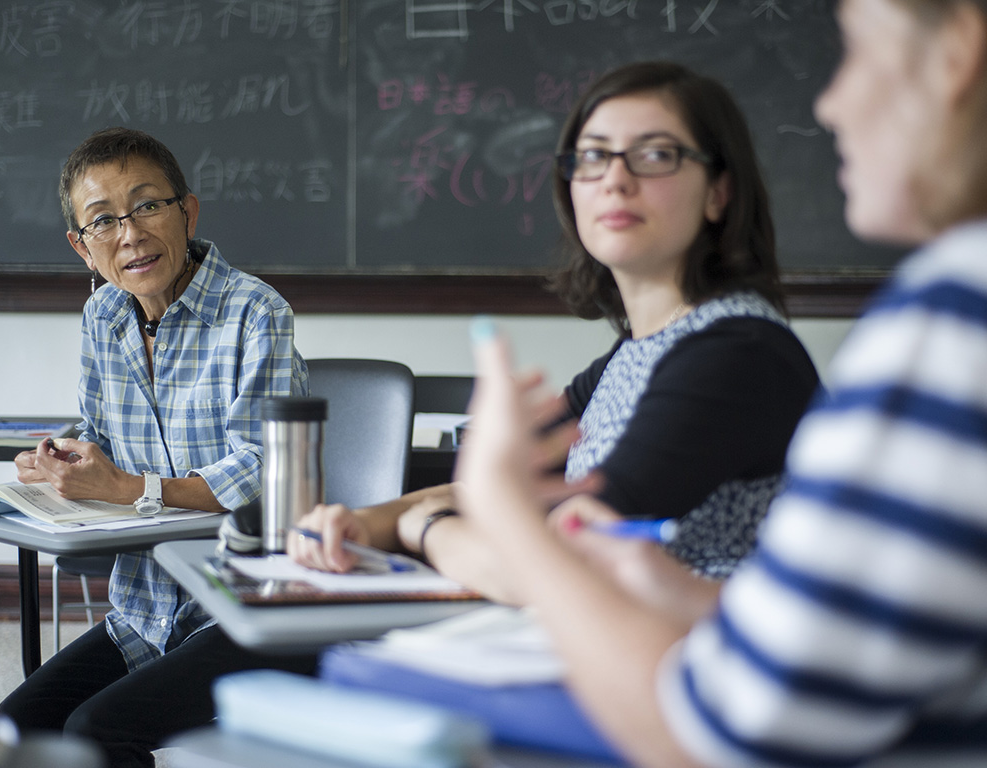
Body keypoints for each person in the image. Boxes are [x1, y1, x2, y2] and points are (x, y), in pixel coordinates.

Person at [454, 0, 987, 765]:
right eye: (592, 157)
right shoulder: (627, 354)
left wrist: (494, 512)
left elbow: (721, 735)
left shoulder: (946, 319)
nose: (832, 104)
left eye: (859, 53)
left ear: (957, 51)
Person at [290, 61, 820, 595]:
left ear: (718, 192)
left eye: (656, 154)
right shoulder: (634, 353)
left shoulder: (736, 356)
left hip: (691, 666)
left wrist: (424, 530)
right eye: (593, 156)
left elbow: (561, 569)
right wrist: (366, 523)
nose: (615, 179)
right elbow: (493, 488)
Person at [0, 127, 314, 767]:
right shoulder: (103, 316)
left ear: (187, 211)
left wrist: (127, 489)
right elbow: (102, 434)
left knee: (98, 731)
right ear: (82, 248)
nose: (131, 234)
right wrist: (59, 463)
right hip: (146, 606)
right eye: (103, 221)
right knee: (12, 728)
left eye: (147, 206)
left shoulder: (255, 311)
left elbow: (265, 472)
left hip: (249, 605)